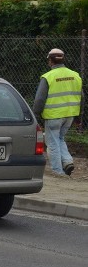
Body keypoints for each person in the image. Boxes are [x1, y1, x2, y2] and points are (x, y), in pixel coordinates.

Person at [33, 47, 82, 177]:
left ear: (50, 61)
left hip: (53, 116)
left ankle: (57, 171)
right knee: (60, 138)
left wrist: (36, 114)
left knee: (52, 143)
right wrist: (78, 116)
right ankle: (67, 161)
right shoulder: (75, 75)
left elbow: (39, 99)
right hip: (70, 114)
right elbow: (81, 97)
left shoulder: (48, 77)